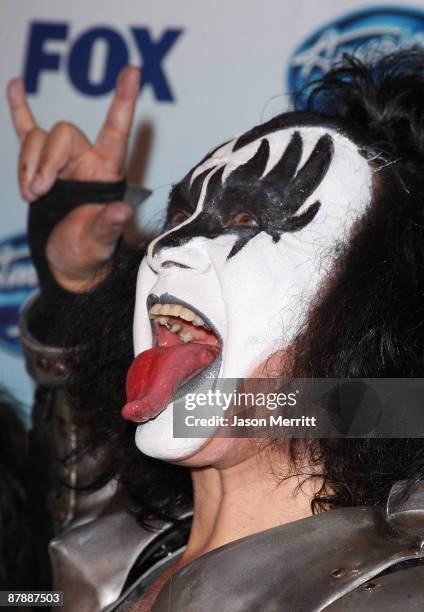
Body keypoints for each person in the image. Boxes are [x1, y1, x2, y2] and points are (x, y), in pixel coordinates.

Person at [7, 50, 424, 610]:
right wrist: (71, 287)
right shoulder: (123, 551)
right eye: (180, 216)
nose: (165, 247)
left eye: (248, 219)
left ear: (374, 312)